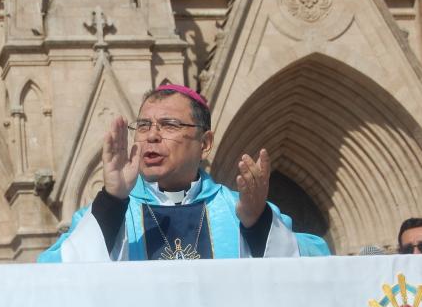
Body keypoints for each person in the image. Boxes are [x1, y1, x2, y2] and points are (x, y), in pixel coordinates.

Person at [38, 84, 330, 263]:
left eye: (169, 125)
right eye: (143, 126)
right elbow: (52, 275)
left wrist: (258, 223)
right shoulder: (111, 212)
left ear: (205, 143)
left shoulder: (237, 208)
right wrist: (112, 201)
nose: (152, 136)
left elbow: (318, 265)